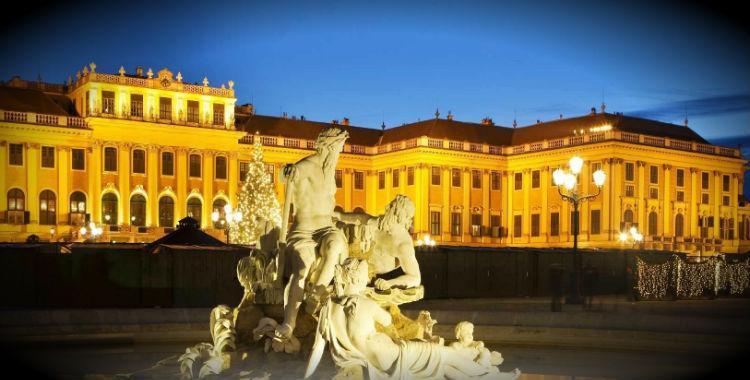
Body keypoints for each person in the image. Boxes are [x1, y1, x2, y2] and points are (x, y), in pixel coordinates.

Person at [306, 258, 520, 380]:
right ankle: (491, 375)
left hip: (375, 360)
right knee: (443, 355)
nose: (366, 283)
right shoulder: (366, 304)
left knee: (442, 367)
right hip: (393, 357)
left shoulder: (327, 308)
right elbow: (390, 323)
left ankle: (486, 369)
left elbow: (316, 349)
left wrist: (306, 378)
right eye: (365, 279)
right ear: (358, 279)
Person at [275, 127, 350, 340]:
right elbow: (287, 174)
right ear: (326, 146)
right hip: (304, 231)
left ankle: (316, 294)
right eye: (337, 148)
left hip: (326, 228)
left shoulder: (330, 170)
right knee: (302, 270)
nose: (339, 153)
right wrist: (287, 171)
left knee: (336, 245)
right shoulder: (306, 166)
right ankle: (289, 322)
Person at [334, 195, 421, 290]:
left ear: (400, 214)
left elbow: (415, 277)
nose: (386, 208)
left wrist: (390, 283)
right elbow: (361, 218)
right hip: (349, 260)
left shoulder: (403, 244)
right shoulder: (382, 224)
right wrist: (339, 216)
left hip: (356, 274)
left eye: (392, 207)